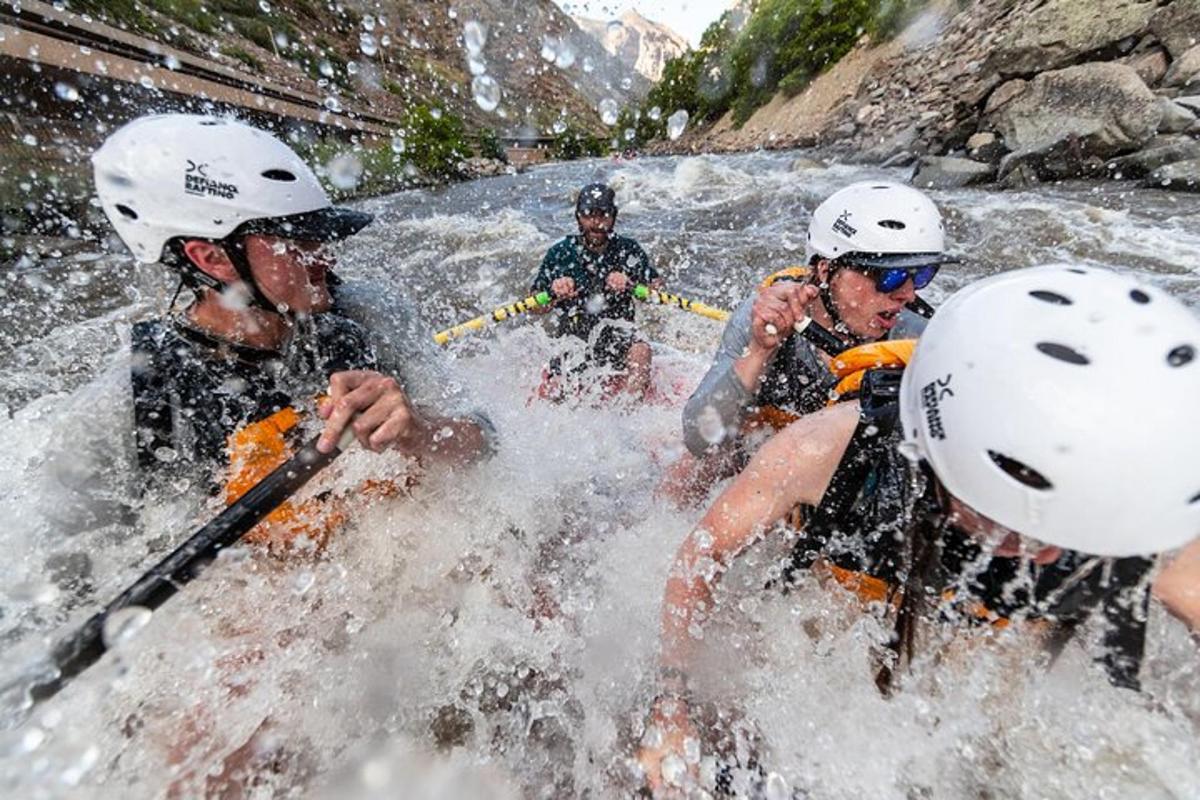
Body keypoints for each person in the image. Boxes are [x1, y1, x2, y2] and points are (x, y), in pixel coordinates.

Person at [639, 265, 1200, 792]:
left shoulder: (1144, 518)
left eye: (1078, 523)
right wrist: (672, 706)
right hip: (848, 594)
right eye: (1018, 522)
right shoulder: (826, 448)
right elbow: (699, 559)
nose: (1049, 553)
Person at [90, 113, 494, 548]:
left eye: (322, 238)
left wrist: (420, 430)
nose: (326, 259)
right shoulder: (131, 400)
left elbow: (487, 440)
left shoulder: (369, 315)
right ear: (212, 258)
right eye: (297, 243)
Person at [669, 182, 956, 503]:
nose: (907, 294)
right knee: (691, 470)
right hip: (766, 448)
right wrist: (760, 350)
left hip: (847, 464)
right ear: (825, 270)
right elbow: (698, 439)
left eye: (920, 275)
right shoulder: (765, 315)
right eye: (888, 276)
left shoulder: (917, 335)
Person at [531, 182, 663, 399]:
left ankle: (632, 413)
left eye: (603, 215)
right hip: (573, 340)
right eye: (588, 215)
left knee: (641, 351)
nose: (596, 222)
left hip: (619, 337)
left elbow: (656, 291)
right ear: (578, 218)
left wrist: (631, 285)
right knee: (555, 389)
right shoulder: (560, 253)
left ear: (614, 217)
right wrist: (553, 293)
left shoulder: (628, 250)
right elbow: (535, 306)